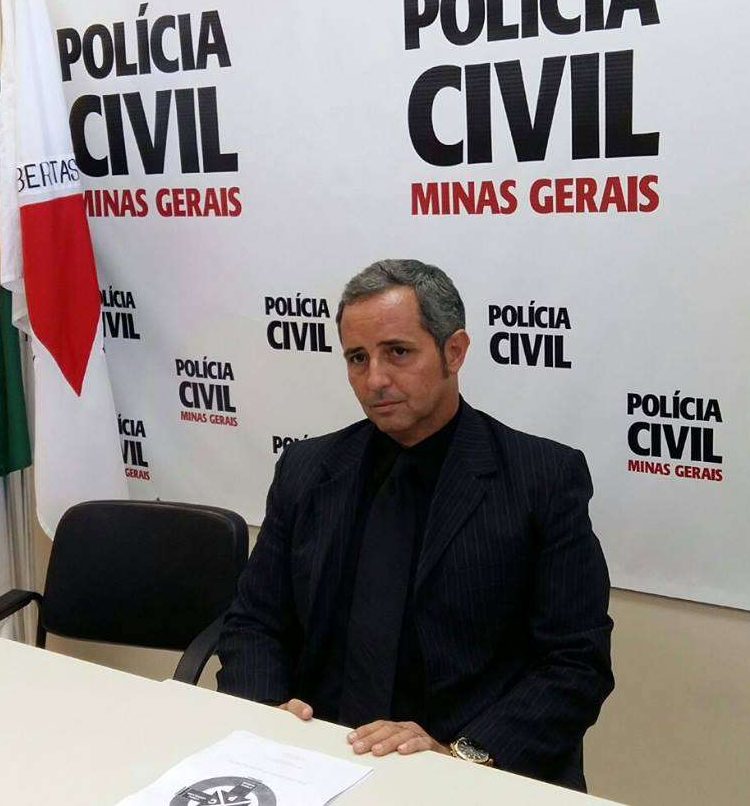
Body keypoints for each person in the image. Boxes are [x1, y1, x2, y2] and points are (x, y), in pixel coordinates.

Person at [217, 259, 613, 790]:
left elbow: (575, 661)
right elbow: (255, 621)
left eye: (398, 352)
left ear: (455, 351)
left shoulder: (541, 478)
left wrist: (460, 755)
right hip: (313, 759)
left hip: (462, 770)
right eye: (358, 358)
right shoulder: (307, 470)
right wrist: (268, 712)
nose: (375, 380)